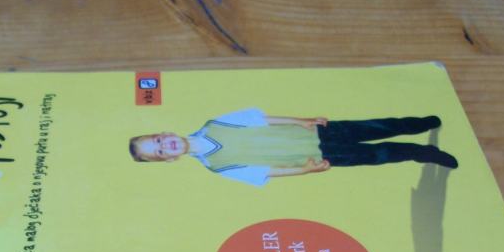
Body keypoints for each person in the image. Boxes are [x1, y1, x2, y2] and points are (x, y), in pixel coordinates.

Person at [129, 109, 457, 186]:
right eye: (160, 152)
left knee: (378, 127)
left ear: (166, 133)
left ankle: (420, 123)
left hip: (315, 133)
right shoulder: (219, 166)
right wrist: (305, 169)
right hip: (316, 155)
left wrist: (301, 120)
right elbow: (266, 172)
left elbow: (261, 119)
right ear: (170, 160)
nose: (165, 145)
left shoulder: (217, 124)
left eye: (158, 140)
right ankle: (421, 153)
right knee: (376, 155)